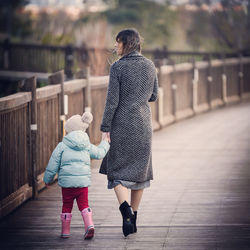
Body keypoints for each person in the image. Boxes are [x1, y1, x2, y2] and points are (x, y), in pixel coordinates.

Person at [99, 28, 158, 237]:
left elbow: (112, 102)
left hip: (121, 125)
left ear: (127, 44)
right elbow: (153, 96)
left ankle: (124, 212)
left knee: (116, 172)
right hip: (143, 126)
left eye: (118, 42)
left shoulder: (117, 68)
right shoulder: (150, 65)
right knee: (139, 175)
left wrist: (105, 127)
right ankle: (133, 216)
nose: (116, 46)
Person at [43, 111, 110, 239]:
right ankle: (89, 225)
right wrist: (105, 142)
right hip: (82, 183)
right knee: (84, 205)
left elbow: (53, 164)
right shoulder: (86, 145)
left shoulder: (62, 146)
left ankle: (65, 232)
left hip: (67, 184)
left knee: (67, 205)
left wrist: (47, 179)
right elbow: (100, 153)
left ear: (68, 130)